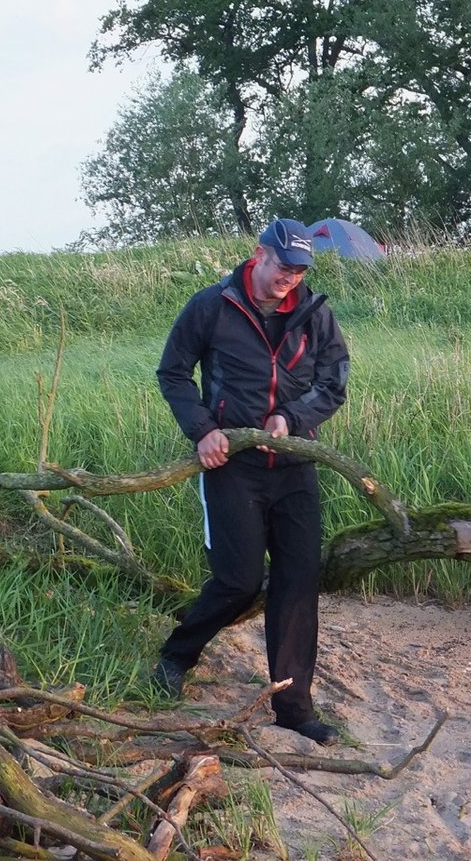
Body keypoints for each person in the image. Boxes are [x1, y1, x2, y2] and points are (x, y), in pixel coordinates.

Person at [151, 218, 350, 746]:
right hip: (232, 465)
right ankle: (176, 656)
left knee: (297, 583)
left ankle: (294, 710)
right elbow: (173, 373)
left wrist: (291, 417)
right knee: (238, 581)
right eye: (284, 266)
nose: (290, 278)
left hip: (294, 463)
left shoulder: (315, 312)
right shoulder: (211, 305)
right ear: (259, 253)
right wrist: (203, 430)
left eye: (300, 270)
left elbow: (334, 381)